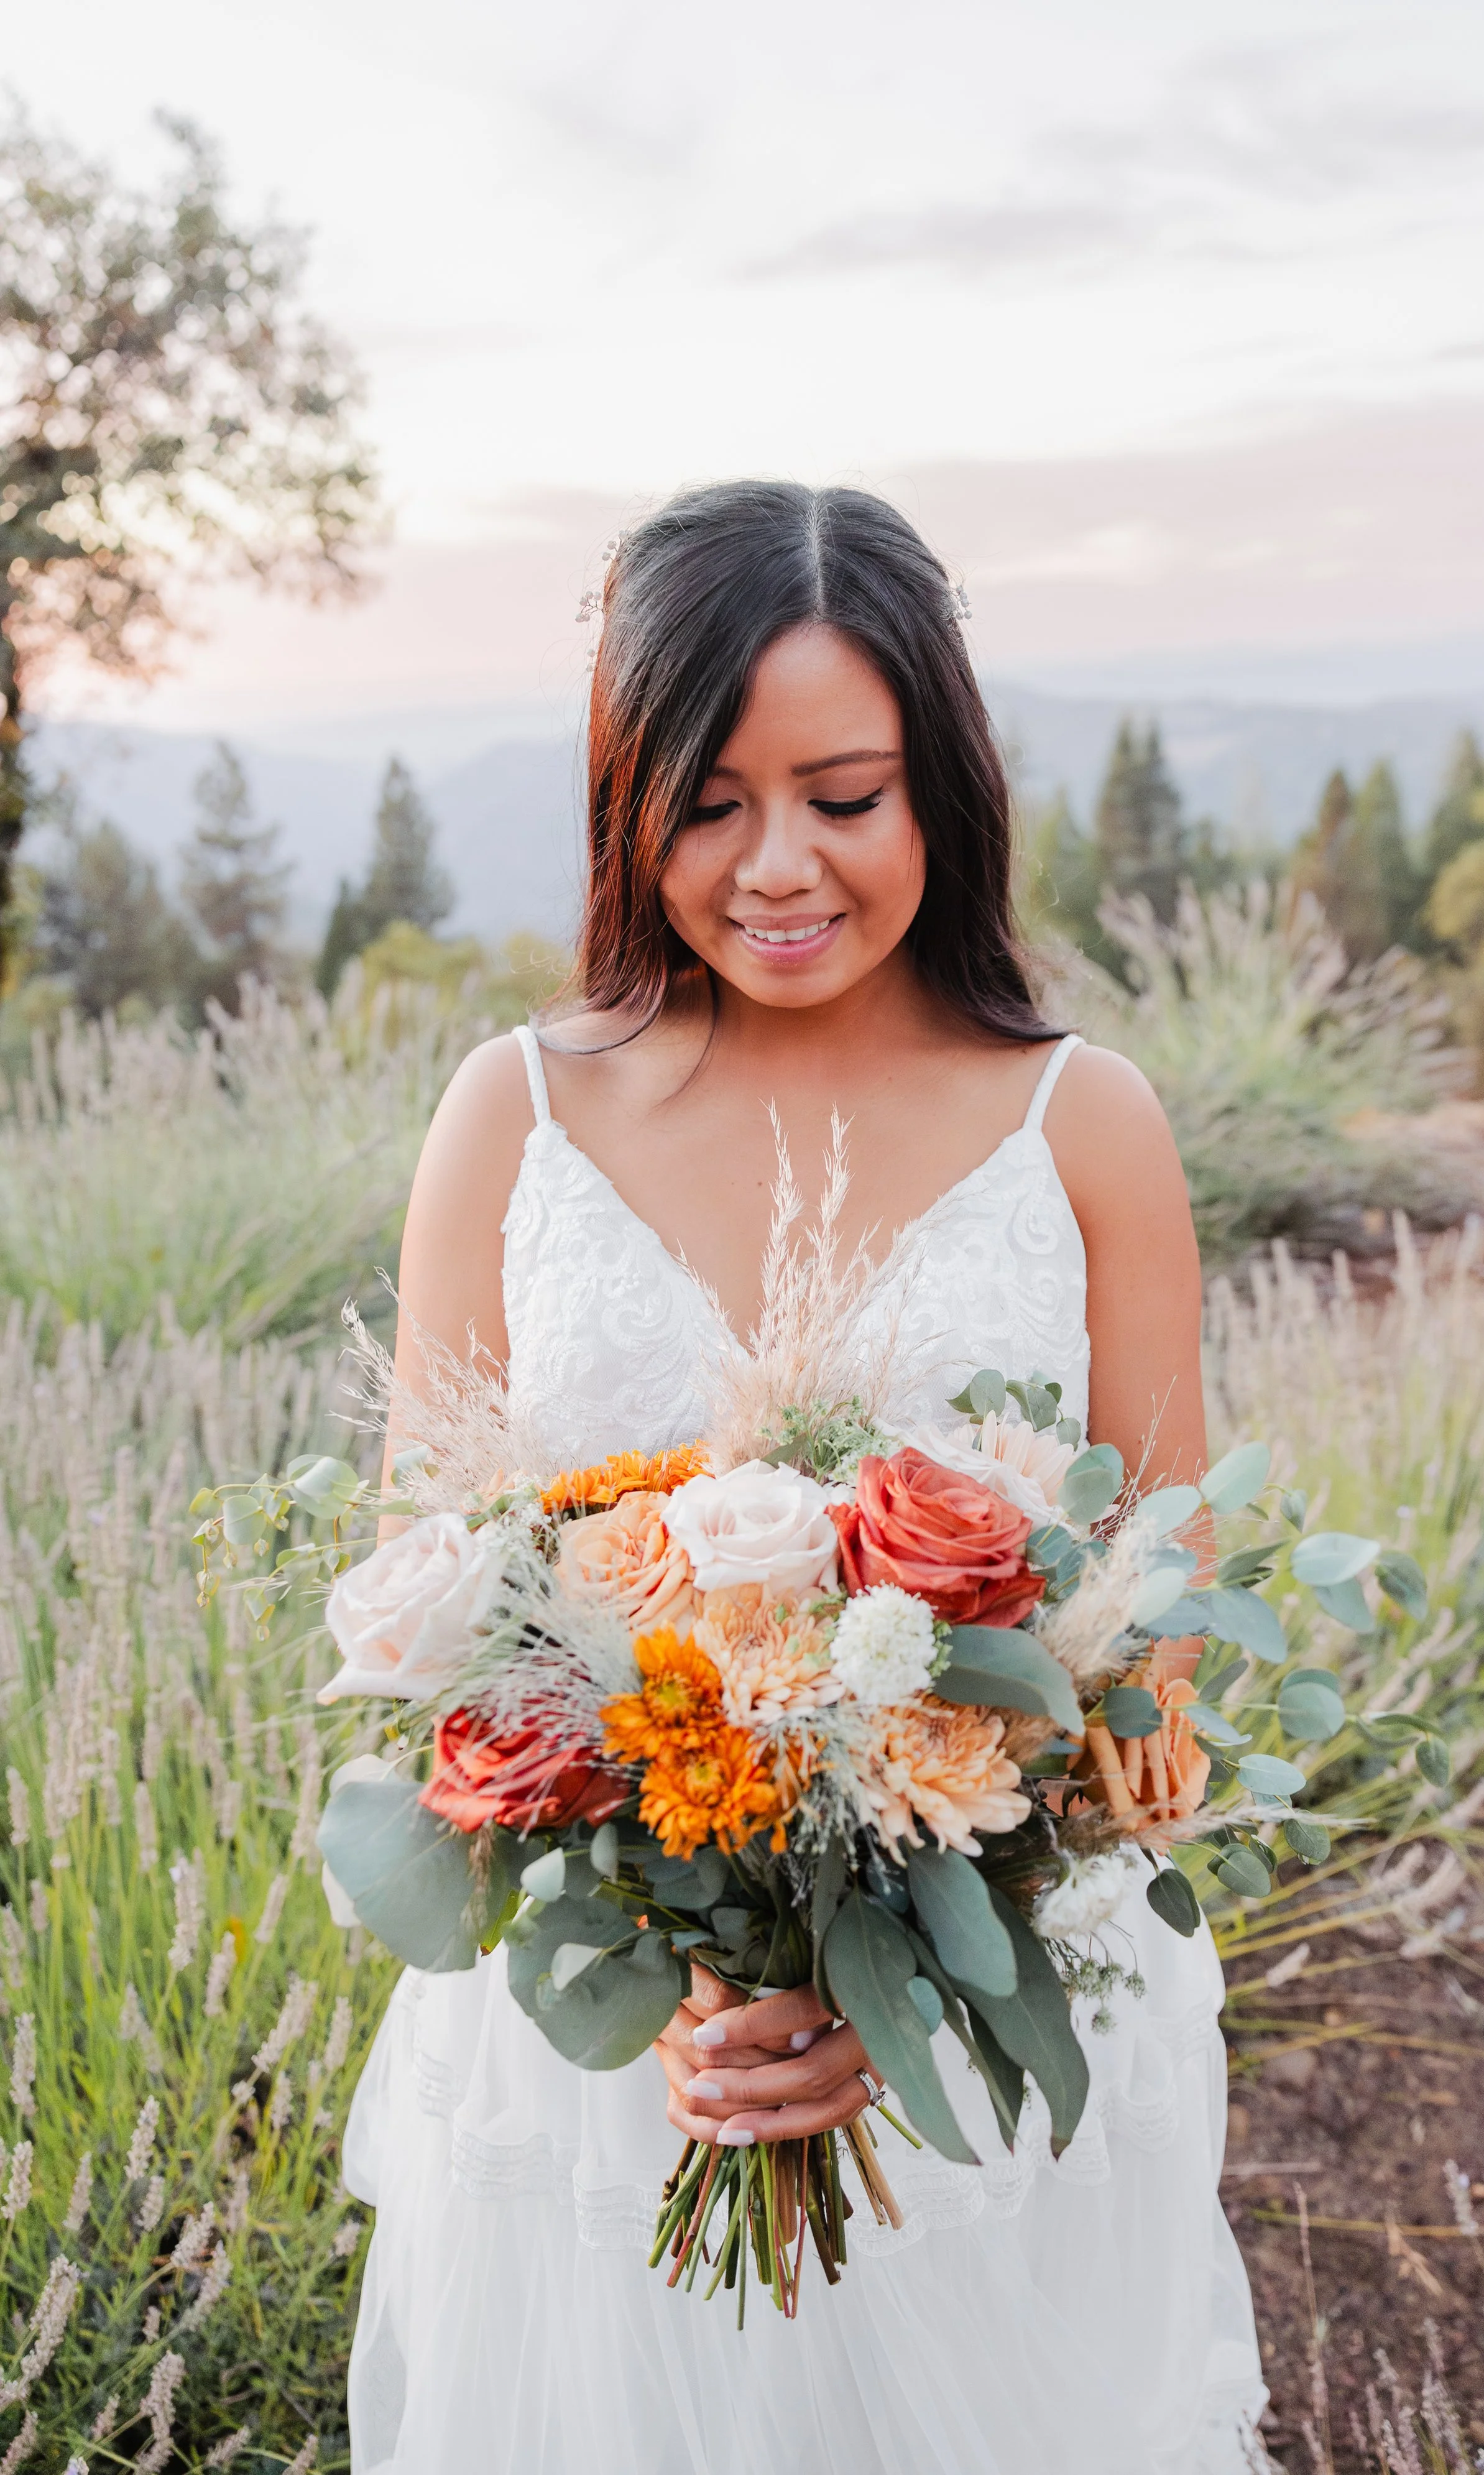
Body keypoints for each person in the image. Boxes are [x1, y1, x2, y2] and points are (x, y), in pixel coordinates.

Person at [341, 481, 1267, 2474]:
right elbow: (434, 1608)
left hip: (993, 2015)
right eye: (708, 804)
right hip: (615, 2035)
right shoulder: (511, 1113)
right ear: (628, 804)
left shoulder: (1082, 1122)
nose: (779, 866)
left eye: (844, 795)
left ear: (941, 786)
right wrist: (695, 1963)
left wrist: (895, 1965)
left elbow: (1161, 1621)